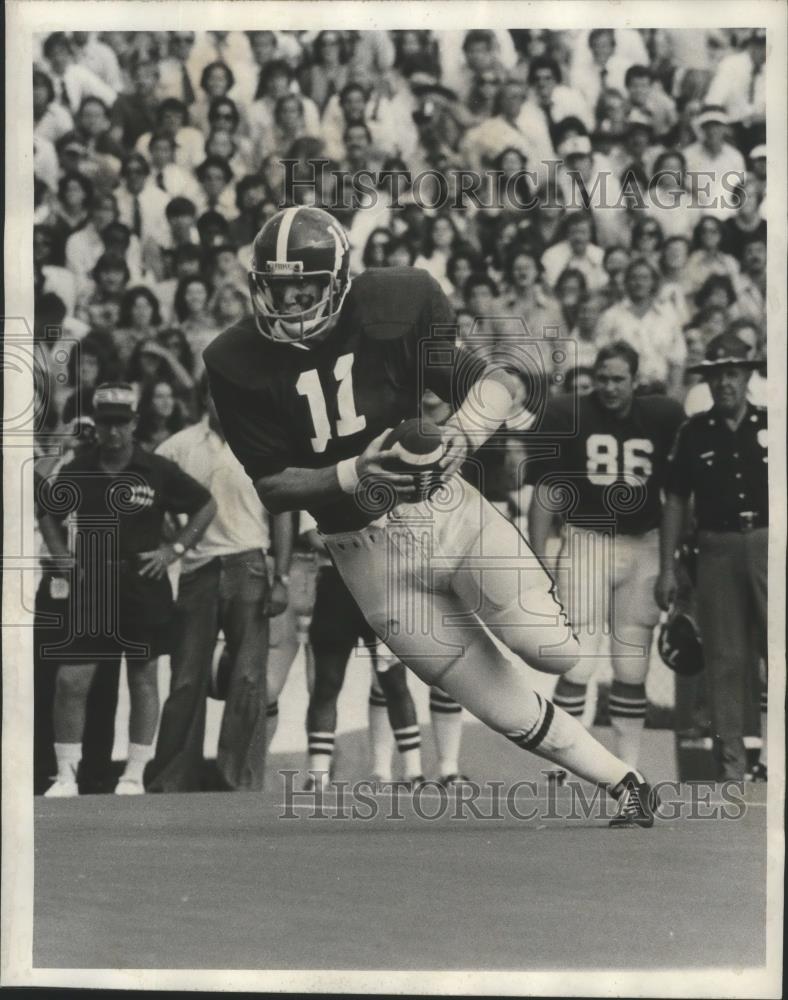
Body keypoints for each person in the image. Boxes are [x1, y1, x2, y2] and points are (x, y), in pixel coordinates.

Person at [204, 205, 660, 827]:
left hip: (446, 512)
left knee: (552, 653)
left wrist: (462, 438)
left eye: (304, 286)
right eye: (277, 286)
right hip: (365, 557)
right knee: (502, 705)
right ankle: (627, 783)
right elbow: (275, 486)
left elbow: (500, 383)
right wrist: (354, 472)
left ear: (337, 280)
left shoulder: (397, 298)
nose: (289, 300)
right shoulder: (234, 359)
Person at [37, 382, 217, 797]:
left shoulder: (156, 469)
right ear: (96, 425)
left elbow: (205, 505)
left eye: (121, 424)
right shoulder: (79, 467)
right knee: (71, 681)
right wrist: (63, 555)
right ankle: (66, 775)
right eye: (105, 424)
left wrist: (174, 551)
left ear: (135, 423)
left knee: (143, 678)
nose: (113, 432)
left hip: (143, 584)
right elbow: (48, 510)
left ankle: (134, 774)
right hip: (92, 585)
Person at [526, 342, 685, 765]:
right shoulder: (568, 413)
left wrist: (671, 564)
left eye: (618, 379)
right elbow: (546, 490)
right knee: (576, 664)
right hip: (587, 540)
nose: (609, 387)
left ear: (636, 381)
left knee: (631, 666)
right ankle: (563, 764)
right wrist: (539, 557)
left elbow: (675, 497)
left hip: (644, 545)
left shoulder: (663, 416)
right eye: (603, 378)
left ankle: (627, 767)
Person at [148, 376, 292, 792]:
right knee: (187, 677)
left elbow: (282, 513)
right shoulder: (177, 447)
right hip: (199, 569)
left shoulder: (264, 446)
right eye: (215, 393)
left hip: (249, 565)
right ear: (202, 398)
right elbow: (150, 500)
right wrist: (173, 544)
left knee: (248, 678)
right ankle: (172, 778)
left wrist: (280, 576)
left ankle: (239, 779)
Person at [657, 333, 767, 780]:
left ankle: (775, 758)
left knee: (777, 652)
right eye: (718, 374)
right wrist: (667, 568)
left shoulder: (773, 424)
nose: (725, 383)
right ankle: (732, 766)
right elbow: (676, 500)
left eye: (733, 374)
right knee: (725, 658)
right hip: (717, 548)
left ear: (748, 376)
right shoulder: (694, 432)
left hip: (768, 543)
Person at [298, 511, 426, 791]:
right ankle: (318, 774)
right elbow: (314, 540)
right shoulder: (319, 484)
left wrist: (347, 538)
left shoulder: (375, 484)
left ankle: (413, 771)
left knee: (394, 680)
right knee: (327, 682)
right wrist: (367, 540)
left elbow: (400, 536)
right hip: (336, 588)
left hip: (378, 587)